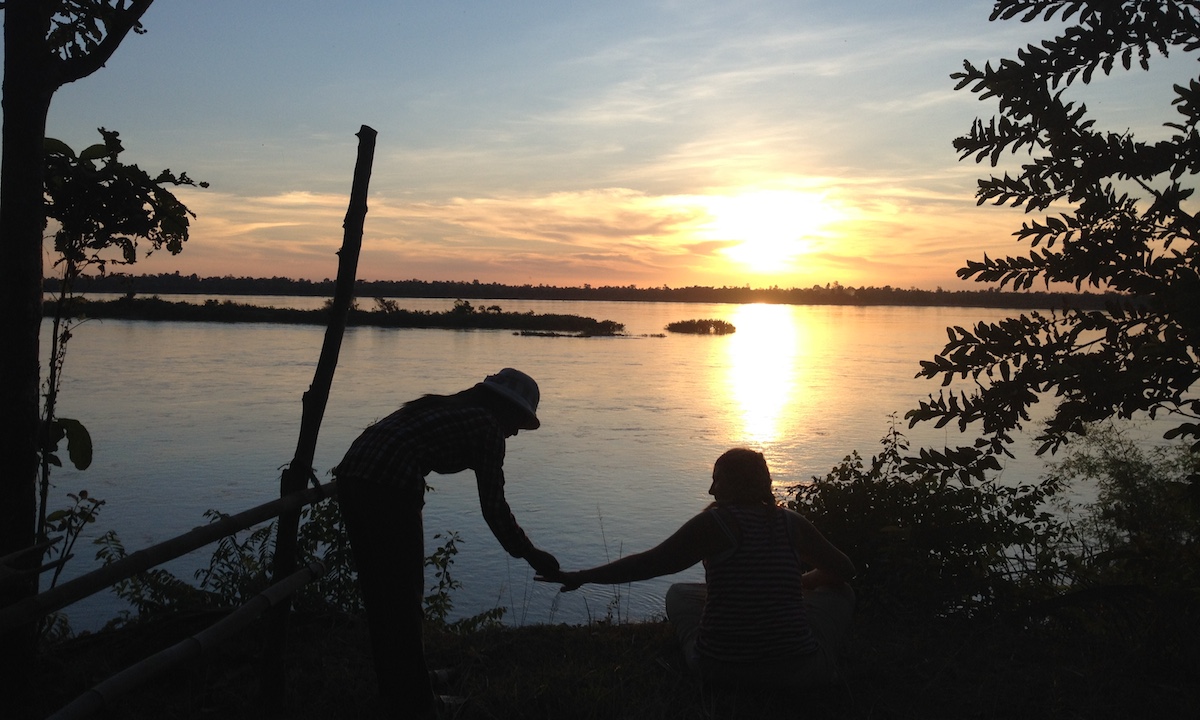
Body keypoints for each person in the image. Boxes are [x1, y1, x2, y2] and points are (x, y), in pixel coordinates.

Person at [333, 368, 560, 718]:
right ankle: (418, 706)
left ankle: (404, 686)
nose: (515, 431)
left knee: (382, 596)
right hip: (390, 482)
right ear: (504, 408)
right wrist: (530, 553)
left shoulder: (445, 406)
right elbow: (494, 507)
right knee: (403, 599)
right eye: (517, 421)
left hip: (353, 475)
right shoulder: (486, 426)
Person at [540, 448, 856, 689]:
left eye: (717, 479)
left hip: (718, 671)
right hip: (801, 672)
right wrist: (803, 584)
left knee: (677, 595)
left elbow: (650, 564)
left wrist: (582, 577)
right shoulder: (791, 522)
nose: (710, 490)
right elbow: (843, 569)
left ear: (735, 483)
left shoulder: (714, 524)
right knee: (841, 592)